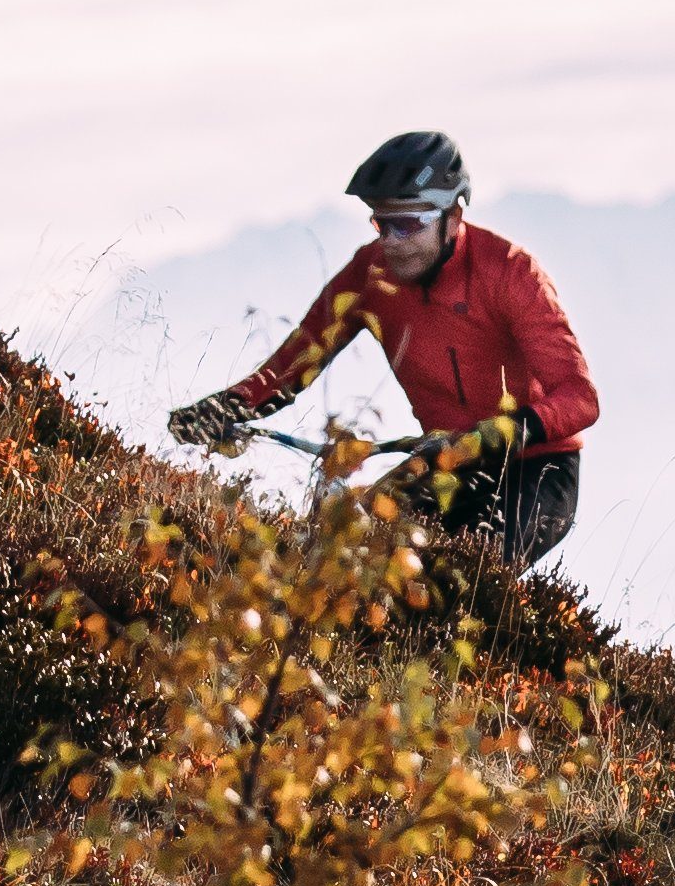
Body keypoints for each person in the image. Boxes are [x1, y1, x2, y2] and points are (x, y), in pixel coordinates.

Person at [165, 130, 603, 573]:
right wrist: (227, 408)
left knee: (463, 588)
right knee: (346, 560)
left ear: (453, 216)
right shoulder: (370, 275)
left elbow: (580, 399)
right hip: (445, 459)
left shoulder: (511, 273)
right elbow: (294, 364)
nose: (391, 240)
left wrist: (501, 433)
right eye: (381, 223)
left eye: (408, 225)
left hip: (539, 472)